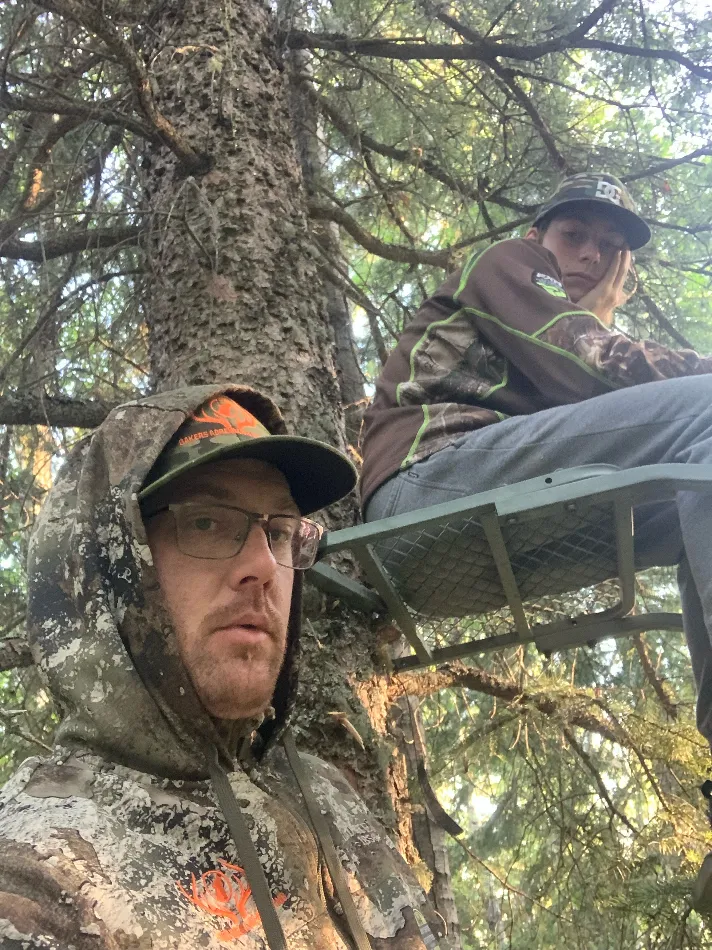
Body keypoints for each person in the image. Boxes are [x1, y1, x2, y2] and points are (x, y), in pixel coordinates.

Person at [360, 173, 712, 908]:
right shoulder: (506, 264)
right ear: (537, 237)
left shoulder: (555, 324)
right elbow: (593, 366)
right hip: (428, 487)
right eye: (573, 235)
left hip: (474, 542)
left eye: (608, 247)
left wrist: (592, 317)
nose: (589, 255)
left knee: (696, 490)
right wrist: (594, 324)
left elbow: (582, 375)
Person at [0, 385, 444, 949]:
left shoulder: (325, 794)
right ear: (108, 566)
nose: (264, 566)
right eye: (207, 523)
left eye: (279, 532)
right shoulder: (38, 870)